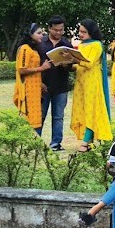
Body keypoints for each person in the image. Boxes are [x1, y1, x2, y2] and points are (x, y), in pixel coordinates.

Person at [71, 19, 112, 152]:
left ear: (91, 32)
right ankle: (87, 140)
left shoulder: (97, 45)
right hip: (80, 83)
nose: (81, 34)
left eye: (84, 32)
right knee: (82, 110)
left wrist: (75, 58)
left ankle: (85, 142)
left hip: (92, 83)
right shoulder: (82, 45)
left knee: (91, 110)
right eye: (80, 32)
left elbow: (89, 63)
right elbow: (77, 65)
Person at [38, 15, 75, 151]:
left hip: (61, 86)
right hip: (42, 86)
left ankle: (56, 143)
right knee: (40, 115)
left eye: (61, 30)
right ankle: (36, 142)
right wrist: (39, 82)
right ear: (49, 29)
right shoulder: (40, 43)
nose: (59, 33)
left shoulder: (66, 44)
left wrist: (67, 63)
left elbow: (71, 67)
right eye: (56, 30)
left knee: (58, 116)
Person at [14, 23, 52, 135]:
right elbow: (21, 70)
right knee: (28, 119)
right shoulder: (25, 48)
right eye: (39, 33)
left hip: (35, 91)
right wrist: (42, 68)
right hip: (27, 91)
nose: (42, 35)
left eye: (42, 33)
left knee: (36, 118)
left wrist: (40, 84)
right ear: (30, 34)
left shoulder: (33, 49)